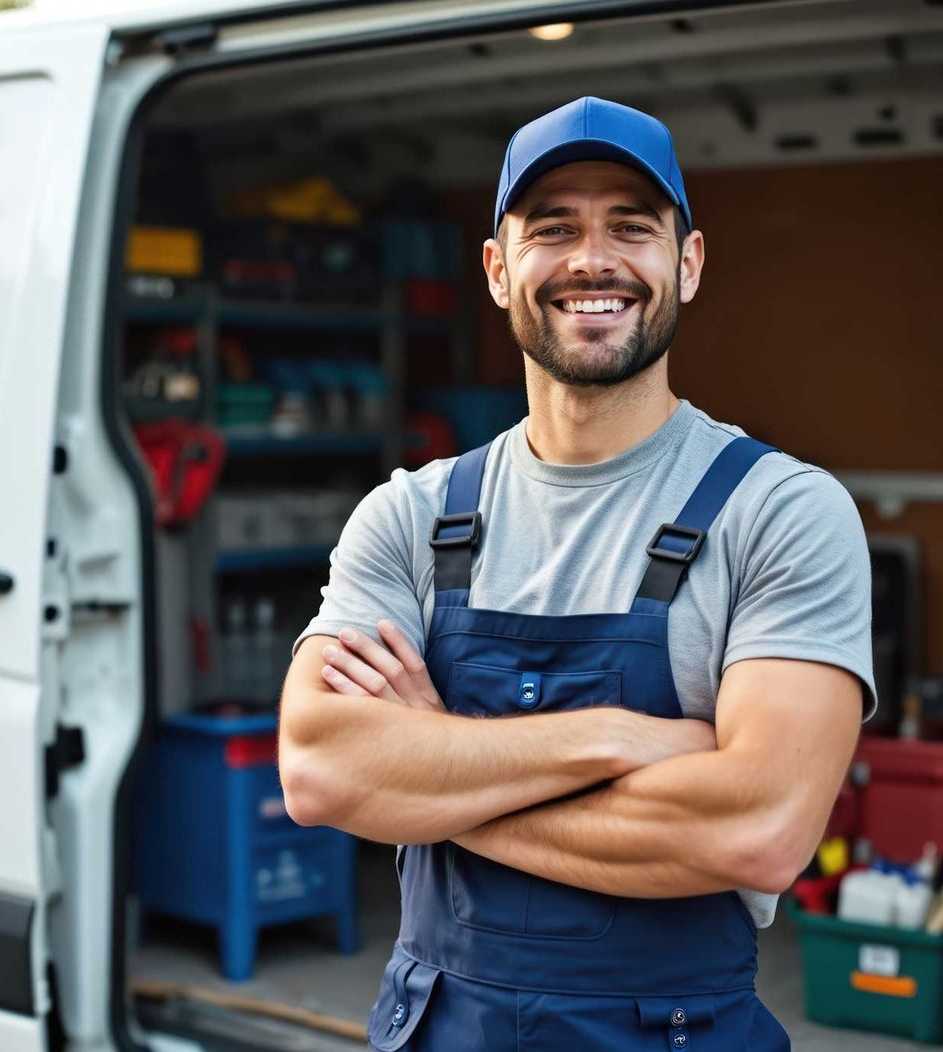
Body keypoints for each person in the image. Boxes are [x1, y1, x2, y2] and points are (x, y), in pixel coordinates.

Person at [277, 96, 873, 1051]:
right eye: (554, 228)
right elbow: (320, 769)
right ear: (498, 268)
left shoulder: (783, 513)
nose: (593, 259)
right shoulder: (411, 515)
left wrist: (437, 768)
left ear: (688, 262)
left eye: (631, 228)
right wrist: (616, 738)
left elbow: (758, 828)